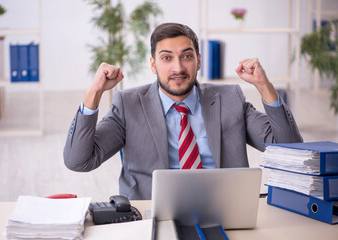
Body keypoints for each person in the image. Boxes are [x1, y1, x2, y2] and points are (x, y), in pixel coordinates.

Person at [64, 23, 303, 200]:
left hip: (226, 210)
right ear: (152, 64)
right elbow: (79, 161)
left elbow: (290, 151)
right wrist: (94, 93)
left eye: (186, 56)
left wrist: (264, 86)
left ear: (198, 60)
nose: (178, 68)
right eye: (166, 58)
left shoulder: (230, 98)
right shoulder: (128, 105)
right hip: (155, 216)